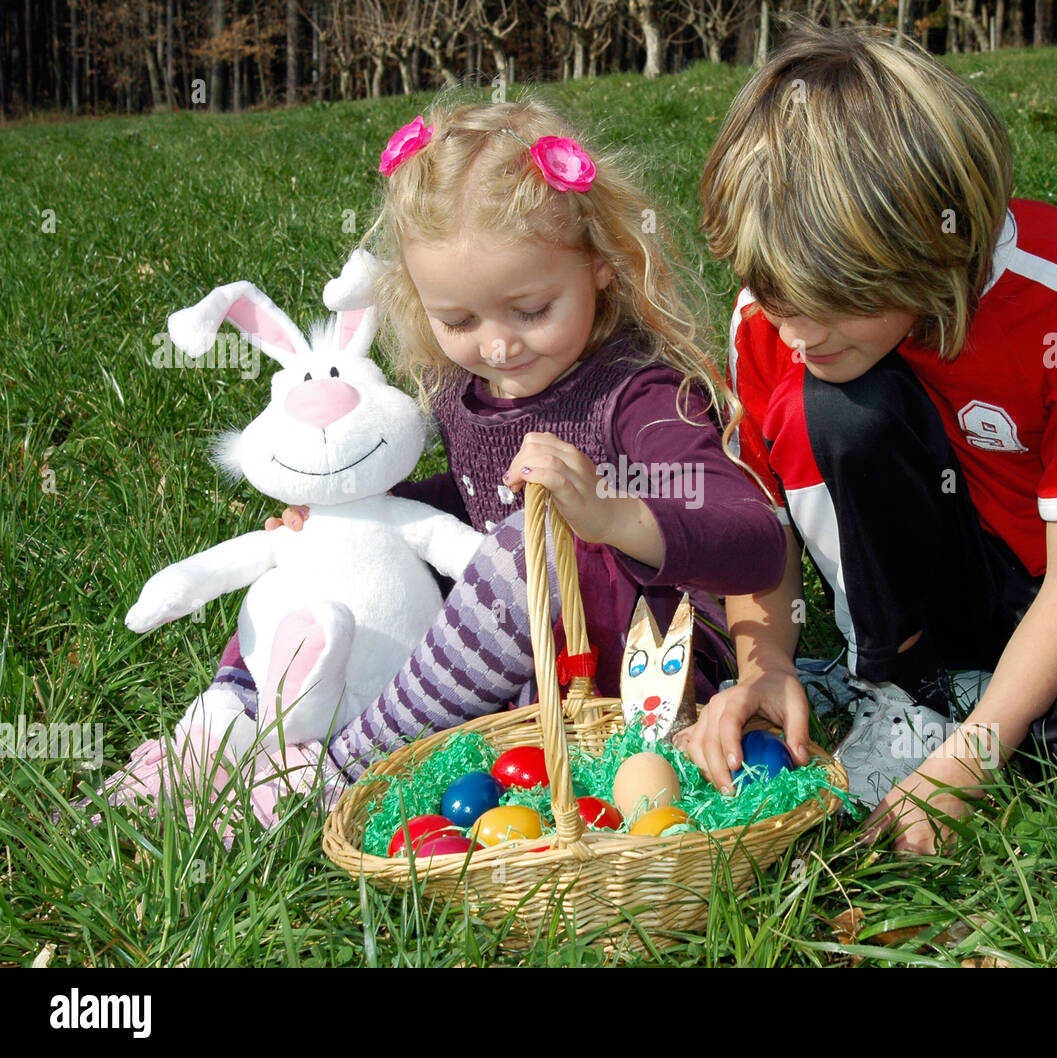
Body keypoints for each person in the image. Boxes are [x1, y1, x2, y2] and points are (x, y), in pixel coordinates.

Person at [101, 100, 786, 822]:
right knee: (324, 554)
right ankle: (228, 729)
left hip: (636, 681)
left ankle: (344, 769)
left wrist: (612, 515)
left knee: (530, 548)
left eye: (530, 309)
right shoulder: (467, 394)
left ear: (601, 266)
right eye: (458, 320)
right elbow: (471, 502)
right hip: (522, 665)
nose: (496, 346)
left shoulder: (639, 393)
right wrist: (358, 524)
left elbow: (754, 544)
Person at [677, 21, 1057, 855]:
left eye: (830, 299)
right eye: (775, 292)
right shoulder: (771, 317)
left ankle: (977, 706)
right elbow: (763, 527)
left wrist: (976, 754)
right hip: (935, 576)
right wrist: (764, 665)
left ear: (932, 248)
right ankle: (903, 677)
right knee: (840, 406)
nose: (797, 328)